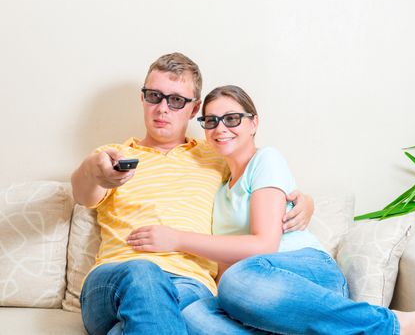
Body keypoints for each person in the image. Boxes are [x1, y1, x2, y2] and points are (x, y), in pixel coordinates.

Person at [126, 85, 415, 335]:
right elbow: (227, 262)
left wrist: (176, 240)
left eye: (232, 118)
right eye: (211, 121)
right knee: (192, 316)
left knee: (237, 279)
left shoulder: (266, 160)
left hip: (302, 276)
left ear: (253, 123)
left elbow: (263, 246)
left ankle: (387, 325)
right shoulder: (220, 186)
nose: (220, 128)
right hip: (261, 295)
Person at [71, 53, 313, 335]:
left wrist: (306, 202)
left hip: (190, 285)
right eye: (154, 96)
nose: (162, 108)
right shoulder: (113, 157)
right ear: (143, 98)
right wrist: (93, 170)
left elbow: (259, 175)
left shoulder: (216, 156)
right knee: (143, 271)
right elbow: (82, 193)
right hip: (114, 280)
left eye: (175, 100)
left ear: (194, 107)